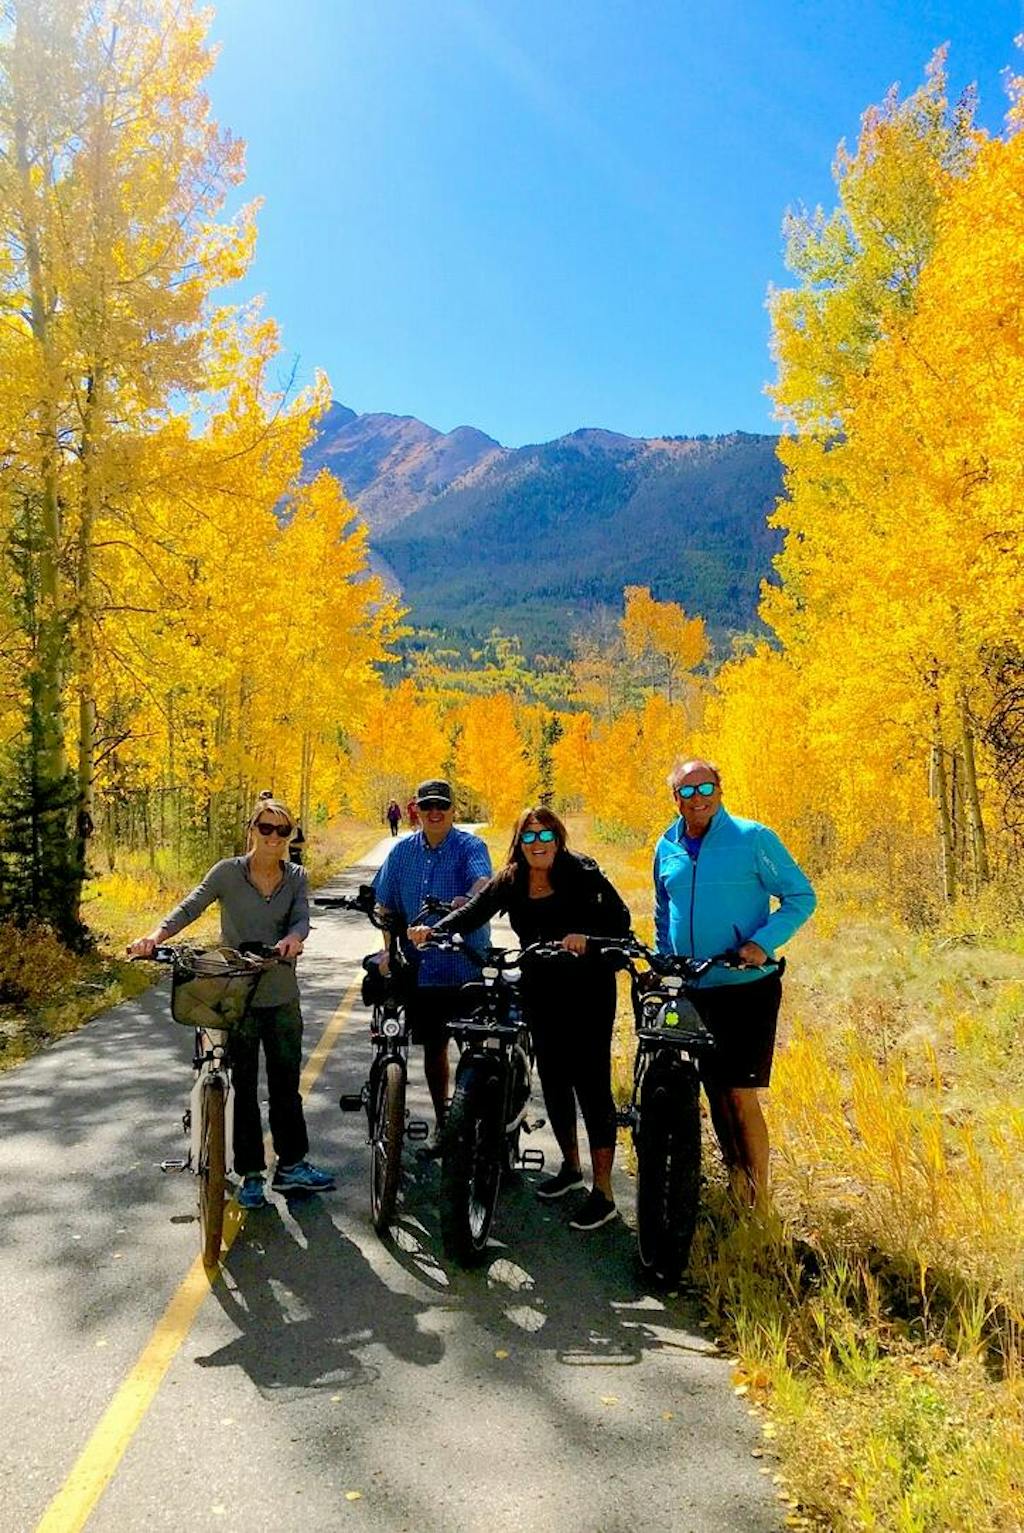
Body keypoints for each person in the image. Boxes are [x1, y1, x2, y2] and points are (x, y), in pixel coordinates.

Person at [411, 807, 631, 1231]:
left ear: (558, 839)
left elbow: (620, 923)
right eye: (529, 836)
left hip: (587, 990)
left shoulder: (582, 873)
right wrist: (434, 931)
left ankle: (604, 1194)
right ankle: (571, 1169)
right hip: (540, 989)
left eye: (546, 835)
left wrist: (586, 939)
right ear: (519, 843)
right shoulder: (512, 879)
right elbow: (474, 912)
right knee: (554, 1079)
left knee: (591, 1086)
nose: (538, 843)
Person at [128, 797, 335, 1209]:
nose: (273, 837)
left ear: (290, 836)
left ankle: (292, 1165)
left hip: (281, 996)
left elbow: (301, 918)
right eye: (266, 828)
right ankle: (251, 1173)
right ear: (252, 829)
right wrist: (154, 937)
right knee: (242, 1085)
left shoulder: (296, 877)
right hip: (237, 995)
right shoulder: (227, 872)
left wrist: (294, 939)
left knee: (285, 1086)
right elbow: (190, 906)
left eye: (282, 830)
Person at [652, 758, 816, 1208]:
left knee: (741, 1095)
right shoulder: (667, 845)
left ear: (719, 790)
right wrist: (665, 959)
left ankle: (759, 1203)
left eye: (705, 788)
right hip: (695, 988)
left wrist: (762, 943)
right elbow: (663, 909)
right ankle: (736, 1184)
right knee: (716, 1092)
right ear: (675, 798)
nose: (697, 798)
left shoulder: (752, 838)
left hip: (746, 987)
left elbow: (801, 896)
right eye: (687, 791)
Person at [373, 779, 492, 1149]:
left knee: (476, 1051)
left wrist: (467, 901)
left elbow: (482, 882)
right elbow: (385, 906)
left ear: (453, 810)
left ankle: (476, 1124)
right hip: (424, 970)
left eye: (442, 805)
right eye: (427, 806)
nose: (435, 812)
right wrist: (388, 951)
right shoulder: (401, 852)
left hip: (466, 965)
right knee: (433, 1048)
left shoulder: (470, 846)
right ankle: (444, 1124)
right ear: (416, 810)